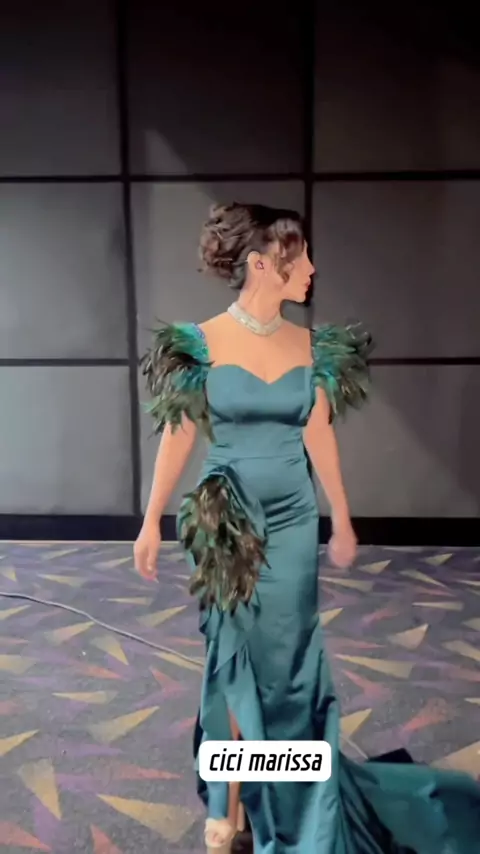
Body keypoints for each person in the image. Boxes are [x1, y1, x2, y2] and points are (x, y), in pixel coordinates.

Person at [134, 203, 480, 854]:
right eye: (300, 256)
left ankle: (289, 788)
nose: (313, 268)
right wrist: (151, 519)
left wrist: (342, 515)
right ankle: (229, 804)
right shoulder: (200, 343)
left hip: (293, 521)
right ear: (262, 264)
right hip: (229, 522)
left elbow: (318, 434)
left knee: (291, 667)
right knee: (233, 661)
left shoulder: (310, 346)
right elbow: (178, 436)